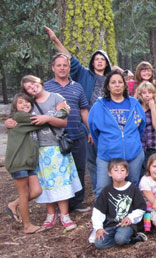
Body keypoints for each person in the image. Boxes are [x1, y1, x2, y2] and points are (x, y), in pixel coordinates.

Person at [9, 75, 82, 231]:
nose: (32, 88)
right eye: (28, 87)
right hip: (38, 149)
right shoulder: (29, 104)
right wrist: (9, 122)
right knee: (45, 183)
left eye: (33, 83)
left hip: (56, 147)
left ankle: (64, 214)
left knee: (61, 181)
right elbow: (17, 118)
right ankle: (50, 214)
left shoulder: (56, 97)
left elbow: (63, 120)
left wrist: (46, 118)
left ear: (39, 81)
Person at [46, 26, 113, 196]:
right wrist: (55, 40)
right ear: (92, 62)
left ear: (107, 63)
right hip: (88, 125)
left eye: (102, 59)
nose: (99, 62)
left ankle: (111, 192)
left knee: (110, 160)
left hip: (108, 126)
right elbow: (69, 58)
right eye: (96, 59)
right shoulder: (84, 75)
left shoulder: (112, 80)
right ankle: (99, 194)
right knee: (91, 161)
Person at [44, 54, 91, 213]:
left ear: (69, 68)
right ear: (53, 68)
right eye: (59, 65)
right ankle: (58, 204)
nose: (62, 68)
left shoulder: (77, 86)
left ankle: (76, 203)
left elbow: (84, 109)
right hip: (54, 138)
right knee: (57, 171)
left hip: (77, 134)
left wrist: (90, 130)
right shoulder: (46, 87)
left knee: (78, 168)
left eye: (65, 65)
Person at [89, 71, 146, 197]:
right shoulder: (99, 105)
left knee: (132, 186)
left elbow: (141, 126)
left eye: (120, 82)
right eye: (113, 82)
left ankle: (130, 215)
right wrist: (110, 143)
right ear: (108, 86)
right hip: (107, 155)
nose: (117, 85)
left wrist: (130, 140)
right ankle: (102, 215)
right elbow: (94, 131)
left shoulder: (134, 103)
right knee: (102, 188)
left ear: (125, 85)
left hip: (133, 154)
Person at [5, 93, 45, 234]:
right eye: (20, 103)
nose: (25, 105)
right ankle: (27, 226)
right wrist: (63, 110)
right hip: (19, 161)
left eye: (27, 102)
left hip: (28, 163)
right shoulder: (20, 117)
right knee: (23, 193)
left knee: (36, 191)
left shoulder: (24, 118)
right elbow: (43, 120)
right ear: (15, 106)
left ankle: (13, 204)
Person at [92, 159, 147, 249]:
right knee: (99, 244)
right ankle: (131, 240)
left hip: (127, 225)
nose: (119, 173)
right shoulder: (106, 191)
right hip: (110, 225)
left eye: (122, 170)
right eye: (116, 170)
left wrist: (130, 218)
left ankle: (130, 237)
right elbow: (98, 211)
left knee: (121, 238)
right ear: (110, 173)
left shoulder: (132, 188)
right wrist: (98, 228)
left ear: (127, 173)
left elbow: (141, 208)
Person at [136, 82, 156, 178]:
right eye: (144, 92)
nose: (147, 95)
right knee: (142, 171)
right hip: (141, 146)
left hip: (155, 144)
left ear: (154, 94)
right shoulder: (136, 108)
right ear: (140, 94)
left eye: (150, 92)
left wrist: (152, 109)